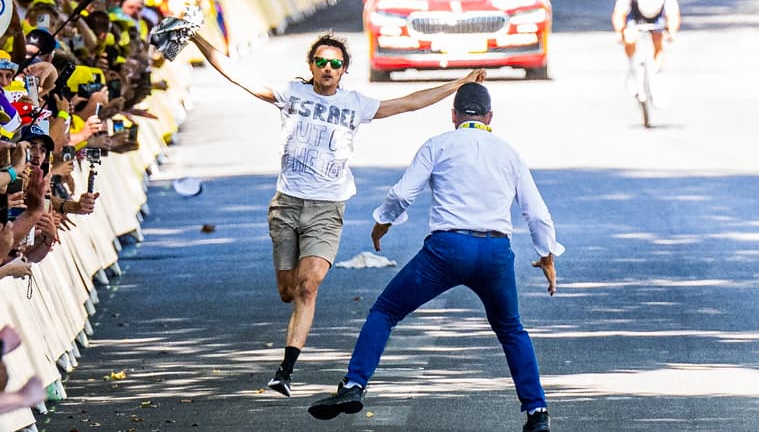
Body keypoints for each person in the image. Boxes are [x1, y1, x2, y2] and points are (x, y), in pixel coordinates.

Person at [189, 30, 486, 397]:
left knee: (308, 285)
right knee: (287, 291)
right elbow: (239, 75)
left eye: (336, 64)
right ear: (311, 67)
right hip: (286, 205)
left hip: (327, 209)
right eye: (321, 62)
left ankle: (286, 370)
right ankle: (290, 335)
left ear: (344, 70)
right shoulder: (291, 95)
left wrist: (459, 82)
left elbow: (409, 102)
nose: (328, 69)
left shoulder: (354, 104)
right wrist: (197, 40)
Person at [307, 83, 564, 432]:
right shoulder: (508, 152)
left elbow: (403, 193)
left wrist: (382, 223)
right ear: (489, 118)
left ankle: (354, 385)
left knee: (385, 312)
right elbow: (536, 213)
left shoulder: (438, 144)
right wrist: (546, 256)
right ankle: (537, 413)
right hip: (494, 252)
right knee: (511, 330)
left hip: (447, 250)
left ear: (454, 115)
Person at [612, 0, 680, 78]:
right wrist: (619, 31)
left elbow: (673, 12)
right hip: (635, 12)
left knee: (657, 39)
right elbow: (620, 10)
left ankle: (655, 73)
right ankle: (632, 66)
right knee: (629, 38)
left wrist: (672, 31)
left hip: (658, 12)